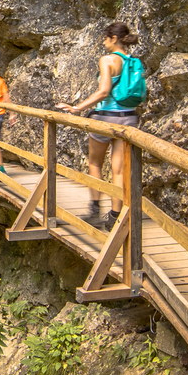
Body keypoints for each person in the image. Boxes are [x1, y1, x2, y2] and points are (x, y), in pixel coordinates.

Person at [58, 22, 145, 226]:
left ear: (113, 39)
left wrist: (77, 107)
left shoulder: (107, 60)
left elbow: (104, 91)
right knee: (119, 170)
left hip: (106, 118)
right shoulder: (132, 61)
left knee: (95, 163)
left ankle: (95, 211)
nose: (103, 42)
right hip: (129, 118)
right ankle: (115, 215)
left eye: (105, 38)